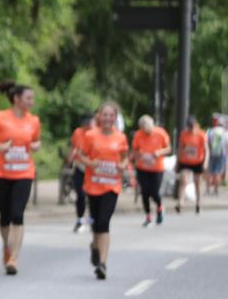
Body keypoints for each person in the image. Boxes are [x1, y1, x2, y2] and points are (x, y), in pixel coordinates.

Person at [0, 81, 42, 275]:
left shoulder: (34, 121)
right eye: (28, 98)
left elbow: (36, 141)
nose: (32, 101)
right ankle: (6, 245)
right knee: (5, 216)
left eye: (32, 98)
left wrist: (36, 146)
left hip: (24, 173)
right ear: (17, 99)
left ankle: (14, 257)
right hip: (1, 173)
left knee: (17, 214)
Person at [78, 102, 129, 280]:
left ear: (115, 117)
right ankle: (94, 246)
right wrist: (90, 163)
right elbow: (81, 154)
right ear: (98, 116)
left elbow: (124, 157)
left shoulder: (120, 137)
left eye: (110, 115)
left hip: (111, 186)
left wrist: (122, 166)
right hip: (93, 184)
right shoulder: (90, 135)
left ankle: (103, 263)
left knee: (104, 222)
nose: (107, 118)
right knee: (96, 222)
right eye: (104, 115)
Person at [131, 115, 171, 227]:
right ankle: (148, 216)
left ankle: (159, 207)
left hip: (157, 168)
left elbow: (168, 149)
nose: (145, 131)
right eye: (143, 129)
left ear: (152, 125)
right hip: (142, 167)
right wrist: (140, 155)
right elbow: (134, 150)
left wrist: (158, 152)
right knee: (144, 192)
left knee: (154, 192)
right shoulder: (138, 135)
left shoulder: (161, 133)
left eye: (147, 128)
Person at [68, 114, 95, 232]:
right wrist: (69, 159)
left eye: (90, 121)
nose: (88, 123)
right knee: (80, 194)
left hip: (94, 169)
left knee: (93, 196)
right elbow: (74, 147)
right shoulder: (78, 132)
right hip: (80, 167)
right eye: (86, 121)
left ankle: (93, 219)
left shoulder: (97, 133)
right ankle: (80, 219)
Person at [176, 115, 207, 214]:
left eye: (192, 126)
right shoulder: (184, 134)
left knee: (197, 183)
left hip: (198, 161)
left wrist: (205, 162)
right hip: (185, 161)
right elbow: (180, 148)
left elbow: (207, 150)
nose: (191, 128)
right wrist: (177, 161)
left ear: (196, 125)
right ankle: (180, 202)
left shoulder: (201, 134)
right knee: (183, 181)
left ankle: (198, 203)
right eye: (189, 126)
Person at [206, 116, 228, 196]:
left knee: (209, 171)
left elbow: (207, 142)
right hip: (221, 154)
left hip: (211, 153)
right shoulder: (225, 132)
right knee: (218, 172)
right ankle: (216, 190)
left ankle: (208, 189)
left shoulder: (210, 131)